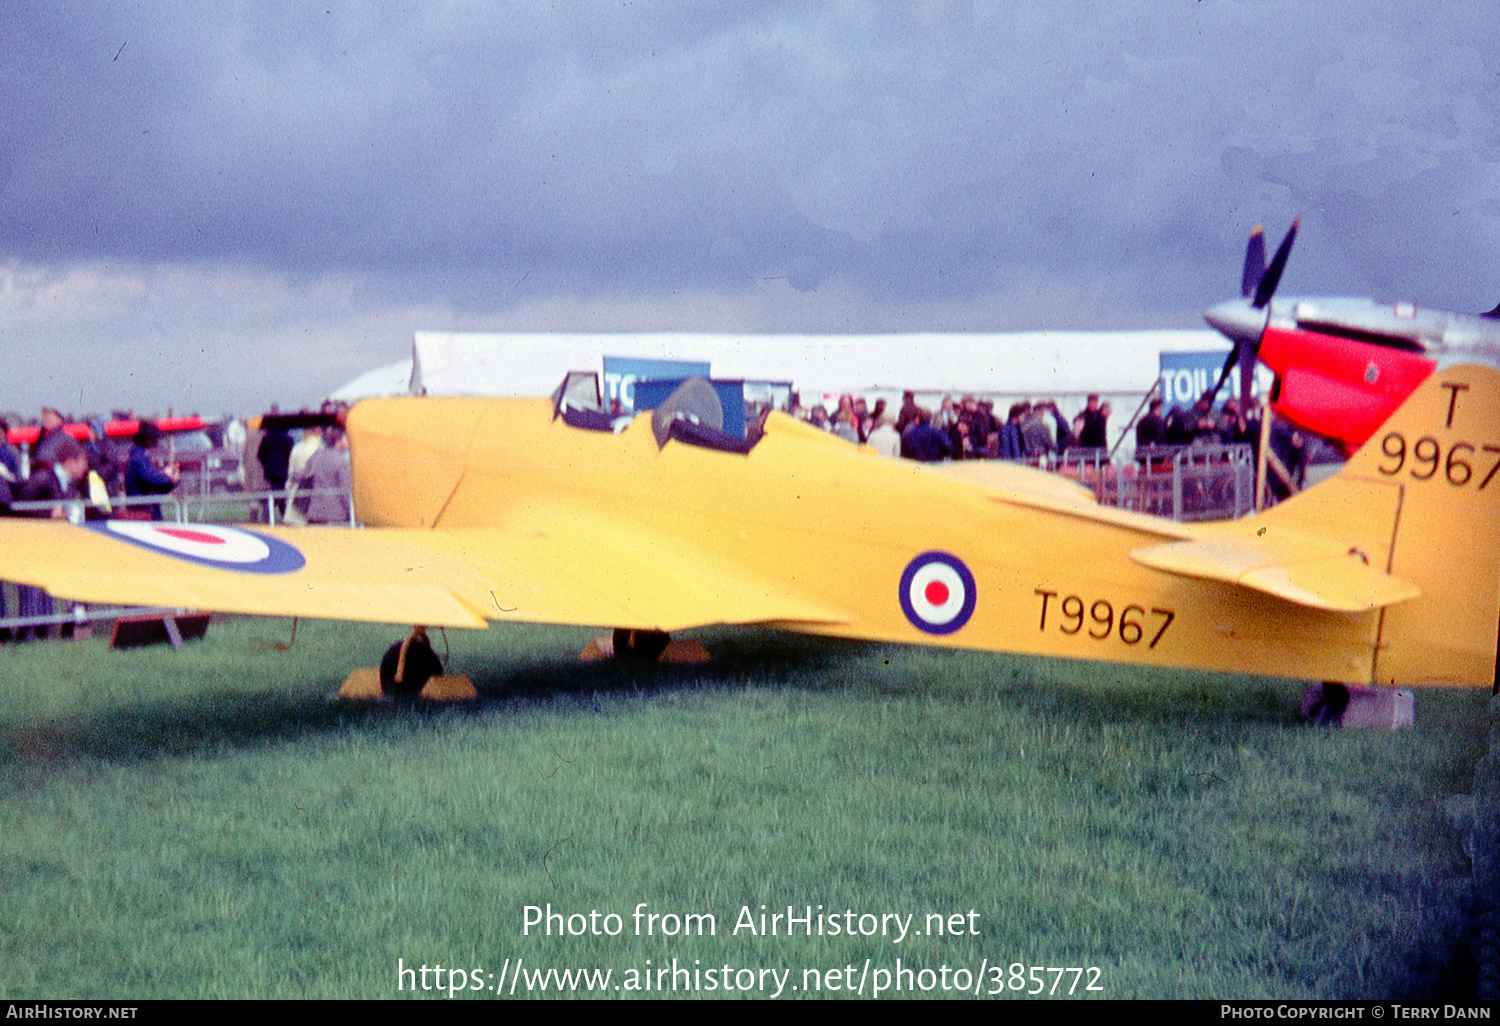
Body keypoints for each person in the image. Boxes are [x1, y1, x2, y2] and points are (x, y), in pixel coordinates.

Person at [124, 423, 180, 520]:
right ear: (149, 440)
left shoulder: (140, 456)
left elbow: (156, 486)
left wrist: (172, 481)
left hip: (149, 510)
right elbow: (152, 478)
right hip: (142, 512)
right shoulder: (138, 458)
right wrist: (167, 475)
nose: (159, 441)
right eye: (157, 438)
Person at [303, 428, 353, 524]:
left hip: (314, 512)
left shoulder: (316, 456)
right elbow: (345, 491)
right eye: (346, 438)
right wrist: (352, 513)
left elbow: (304, 475)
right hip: (335, 514)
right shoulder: (341, 461)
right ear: (338, 441)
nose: (349, 441)